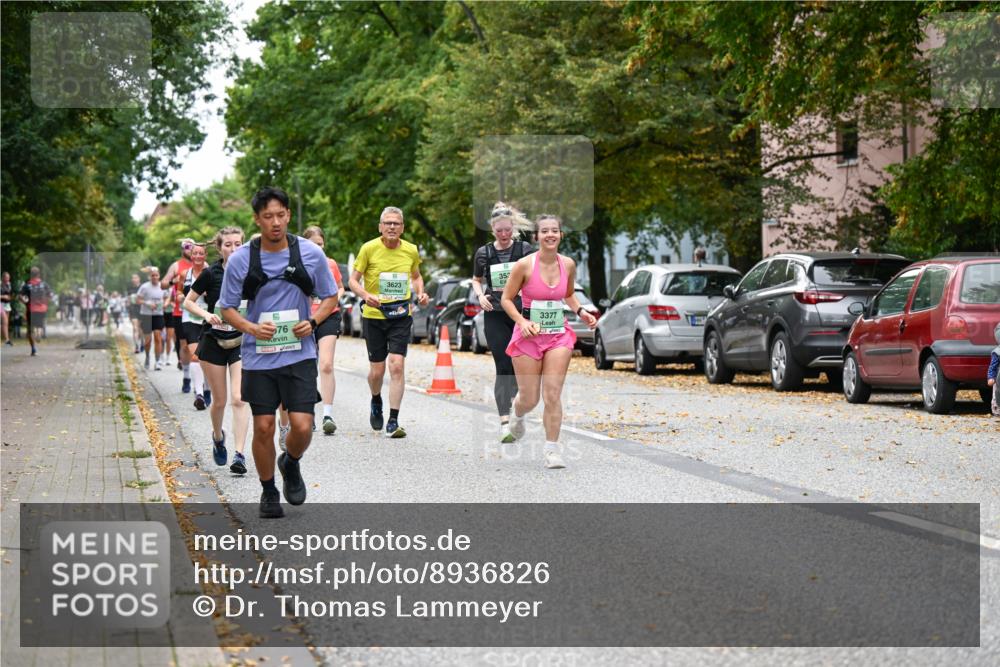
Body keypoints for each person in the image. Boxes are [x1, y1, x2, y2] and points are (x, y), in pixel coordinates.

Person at [218, 187, 338, 519]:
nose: (275, 222)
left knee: (302, 426)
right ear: (257, 219)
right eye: (267, 216)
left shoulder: (310, 254)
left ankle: (291, 462)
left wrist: (313, 321)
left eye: (281, 215)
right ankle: (269, 490)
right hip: (259, 356)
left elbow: (330, 297)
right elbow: (226, 308)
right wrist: (251, 328)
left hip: (299, 353)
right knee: (265, 426)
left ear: (288, 215)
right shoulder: (243, 258)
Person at [500, 215, 598, 469]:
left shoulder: (568, 264)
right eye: (545, 231)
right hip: (528, 336)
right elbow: (507, 299)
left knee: (552, 394)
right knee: (530, 398)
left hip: (558, 334)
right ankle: (518, 413)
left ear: (561, 235)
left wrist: (581, 312)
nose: (550, 235)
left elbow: (568, 295)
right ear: (537, 236)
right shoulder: (523, 265)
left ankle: (552, 450)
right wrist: (522, 322)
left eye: (555, 231)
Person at [349, 206, 429, 439]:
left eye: (396, 223)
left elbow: (416, 277)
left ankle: (393, 420)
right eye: (387, 223)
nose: (392, 227)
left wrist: (421, 292)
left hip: (401, 315)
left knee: (396, 365)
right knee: (377, 371)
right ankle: (376, 400)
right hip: (374, 316)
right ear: (380, 227)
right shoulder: (369, 248)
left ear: (402, 228)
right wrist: (365, 295)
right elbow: (352, 281)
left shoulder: (411, 250)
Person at [184, 227, 251, 475]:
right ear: (219, 247)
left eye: (237, 244)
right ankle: (217, 435)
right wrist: (206, 314)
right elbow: (188, 301)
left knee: (239, 398)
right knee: (220, 401)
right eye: (228, 245)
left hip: (241, 341)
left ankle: (240, 454)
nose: (233, 249)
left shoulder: (250, 272)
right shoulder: (210, 274)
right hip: (213, 340)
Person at [471, 202, 534, 442]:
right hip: (495, 313)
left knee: (520, 367)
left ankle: (518, 409)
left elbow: (534, 276)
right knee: (503, 365)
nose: (504, 235)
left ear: (513, 228)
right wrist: (480, 296)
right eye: (499, 231)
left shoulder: (524, 250)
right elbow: (476, 279)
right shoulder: (484, 253)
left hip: (521, 315)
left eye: (508, 230)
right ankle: (504, 423)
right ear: (492, 230)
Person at [180, 242, 210, 409]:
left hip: (207, 318)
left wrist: (208, 293)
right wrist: (179, 296)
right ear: (191, 256)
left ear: (205, 255)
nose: (198, 256)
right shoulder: (185, 274)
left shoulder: (210, 273)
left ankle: (207, 388)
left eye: (201, 253)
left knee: (207, 358)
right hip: (190, 318)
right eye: (195, 253)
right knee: (195, 356)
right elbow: (179, 291)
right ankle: (198, 394)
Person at [163, 239, 195, 388]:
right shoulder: (176, 266)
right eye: (187, 247)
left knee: (196, 346)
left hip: (198, 311)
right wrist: (173, 281)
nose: (190, 249)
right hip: (180, 311)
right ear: (183, 250)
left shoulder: (201, 264)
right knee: (184, 345)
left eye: (192, 247)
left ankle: (200, 382)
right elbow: (163, 283)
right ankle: (187, 377)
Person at [136, 267, 166, 369]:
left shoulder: (162, 286)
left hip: (158, 315)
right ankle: (148, 356)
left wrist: (164, 304)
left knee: (158, 337)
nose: (154, 277)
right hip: (146, 315)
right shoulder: (144, 287)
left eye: (156, 275)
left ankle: (157, 361)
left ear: (159, 276)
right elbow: (138, 300)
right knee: (148, 340)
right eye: (152, 275)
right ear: (150, 276)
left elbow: (167, 298)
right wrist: (147, 303)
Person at [19, 267, 53, 356]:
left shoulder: (27, 285)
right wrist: (46, 303)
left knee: (30, 330)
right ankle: (39, 334)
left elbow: (20, 296)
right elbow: (50, 295)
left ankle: (33, 349)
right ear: (39, 274)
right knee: (40, 325)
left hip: (31, 309)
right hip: (42, 309)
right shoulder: (44, 284)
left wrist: (25, 302)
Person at [127, 273, 143, 353]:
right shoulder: (130, 289)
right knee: (135, 328)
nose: (134, 279)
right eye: (133, 278)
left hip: (142, 310)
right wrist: (128, 312)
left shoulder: (142, 287)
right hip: (133, 310)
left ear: (139, 279)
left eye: (135, 278)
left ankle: (142, 343)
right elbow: (129, 301)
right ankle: (136, 346)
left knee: (141, 329)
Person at [989, 322, 1000, 417]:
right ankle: (997, 408)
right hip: (998, 378)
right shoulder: (997, 352)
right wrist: (991, 377)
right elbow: (993, 366)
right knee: (997, 392)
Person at [1, 272, 12, 346]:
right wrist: (3, 297)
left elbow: (10, 294)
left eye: (9, 277)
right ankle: (7, 340)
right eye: (7, 277)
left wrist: (9, 297)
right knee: (4, 322)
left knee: (6, 323)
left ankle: (6, 339)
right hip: (0, 304)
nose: (8, 279)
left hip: (7, 305)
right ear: (3, 277)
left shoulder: (9, 285)